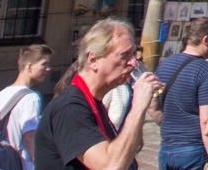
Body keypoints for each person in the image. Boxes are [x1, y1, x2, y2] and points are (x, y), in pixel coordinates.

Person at [35, 19, 160, 170]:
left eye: (133, 53)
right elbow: (110, 166)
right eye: (124, 55)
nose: (133, 62)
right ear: (93, 60)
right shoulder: (70, 107)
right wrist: (139, 107)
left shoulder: (94, 101)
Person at [155, 16, 208, 170]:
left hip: (166, 148)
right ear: (205, 40)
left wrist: (169, 125)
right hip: (193, 149)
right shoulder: (207, 71)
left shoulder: (164, 65)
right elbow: (206, 121)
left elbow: (152, 107)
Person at [0, 44, 53, 170]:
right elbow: (30, 137)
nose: (48, 69)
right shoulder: (30, 98)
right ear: (29, 67)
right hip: (18, 163)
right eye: (44, 64)